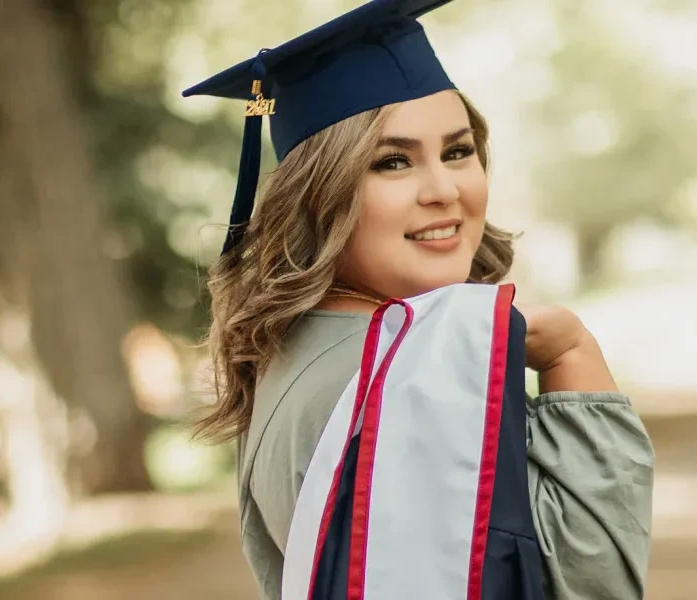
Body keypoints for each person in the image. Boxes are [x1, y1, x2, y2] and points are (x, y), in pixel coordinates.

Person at [185, 1, 655, 598]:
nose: (444, 190)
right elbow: (594, 586)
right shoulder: (414, 375)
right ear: (318, 195)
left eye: (458, 152)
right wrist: (570, 350)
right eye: (393, 162)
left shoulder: (289, 354)